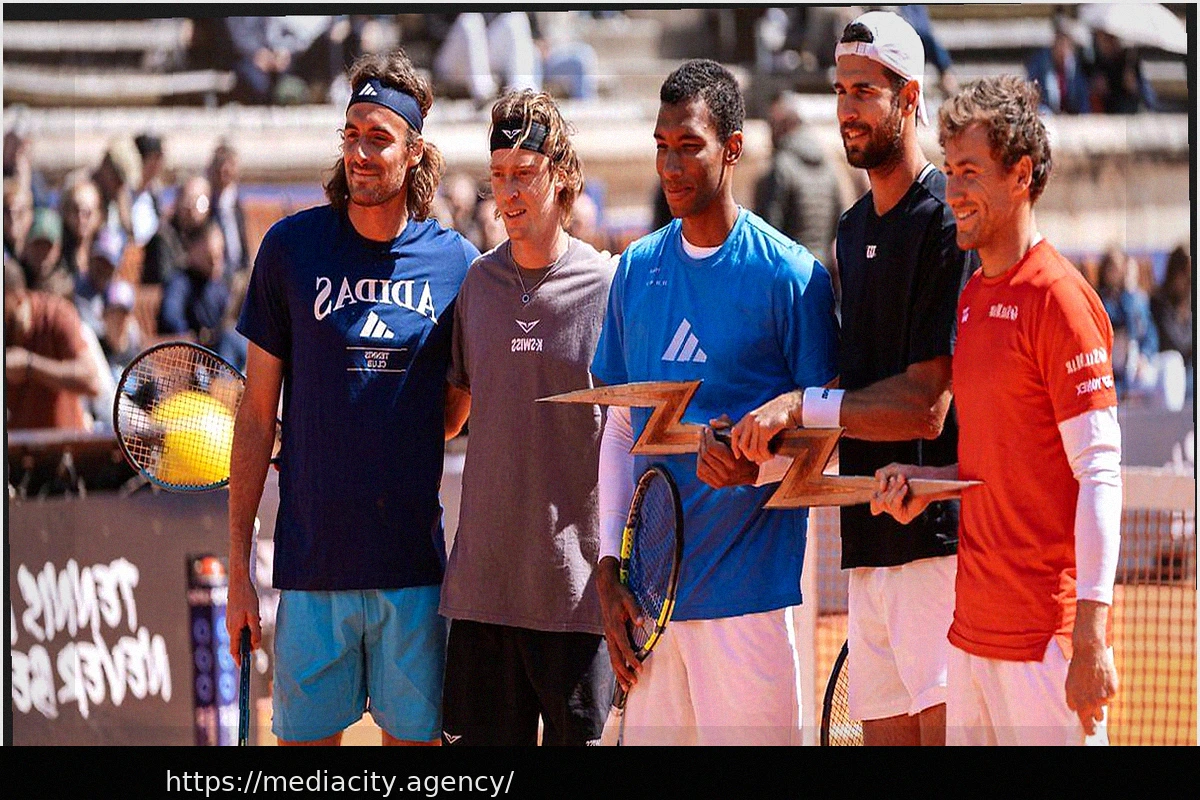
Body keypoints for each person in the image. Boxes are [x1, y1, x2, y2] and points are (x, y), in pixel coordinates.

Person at [729, 10, 973, 746]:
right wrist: (759, 437)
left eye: (865, 90)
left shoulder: (947, 220)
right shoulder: (852, 226)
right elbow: (849, 392)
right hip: (865, 545)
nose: (847, 109)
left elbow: (926, 407)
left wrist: (803, 405)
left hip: (935, 549)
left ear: (909, 97)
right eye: (840, 91)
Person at [225, 49, 479, 747]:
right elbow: (256, 416)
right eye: (352, 135)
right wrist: (240, 567)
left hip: (412, 573)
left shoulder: (456, 264)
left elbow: (452, 413)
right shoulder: (290, 250)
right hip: (312, 572)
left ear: (414, 151)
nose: (361, 154)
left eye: (379, 138)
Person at [590, 59, 839, 746]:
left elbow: (827, 437)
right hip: (649, 608)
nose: (671, 165)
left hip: (750, 606)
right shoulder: (634, 270)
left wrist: (754, 469)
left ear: (732, 148)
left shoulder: (792, 277)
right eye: (662, 146)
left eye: (689, 145)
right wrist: (609, 568)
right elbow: (621, 430)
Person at [872, 74, 1121, 746]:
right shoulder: (973, 298)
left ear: (1021, 175)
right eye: (949, 170)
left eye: (971, 172)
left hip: (1045, 647)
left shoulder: (1061, 301)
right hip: (970, 639)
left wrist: (1090, 637)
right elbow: (996, 466)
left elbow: (1100, 473)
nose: (953, 191)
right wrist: (927, 483)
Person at [438, 90, 617, 746]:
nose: (507, 193)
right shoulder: (477, 287)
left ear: (561, 175)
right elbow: (449, 417)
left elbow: (632, 436)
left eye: (524, 173)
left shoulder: (607, 287)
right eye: (498, 176)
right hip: (482, 597)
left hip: (576, 601)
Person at [4, 259, 101, 431]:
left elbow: (91, 381)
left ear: (18, 299)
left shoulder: (56, 314)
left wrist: (29, 365)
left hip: (63, 442)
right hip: (15, 443)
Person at [753, 91, 841, 269]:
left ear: (783, 126)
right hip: (821, 269)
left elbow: (768, 230)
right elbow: (839, 220)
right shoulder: (828, 167)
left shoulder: (781, 167)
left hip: (789, 270)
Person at [158, 219, 231, 348]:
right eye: (210, 257)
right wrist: (195, 338)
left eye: (219, 257)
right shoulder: (179, 283)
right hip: (193, 352)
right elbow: (171, 317)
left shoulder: (218, 286)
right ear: (193, 250)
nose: (215, 263)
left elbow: (229, 319)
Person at [142, 174, 212, 286]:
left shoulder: (211, 237)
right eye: (188, 200)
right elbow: (165, 279)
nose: (191, 207)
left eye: (200, 202)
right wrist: (191, 262)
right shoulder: (163, 237)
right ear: (178, 200)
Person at [208, 142, 250, 277]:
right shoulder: (206, 205)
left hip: (240, 274)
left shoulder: (240, 205)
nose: (224, 170)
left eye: (229, 164)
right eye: (220, 164)